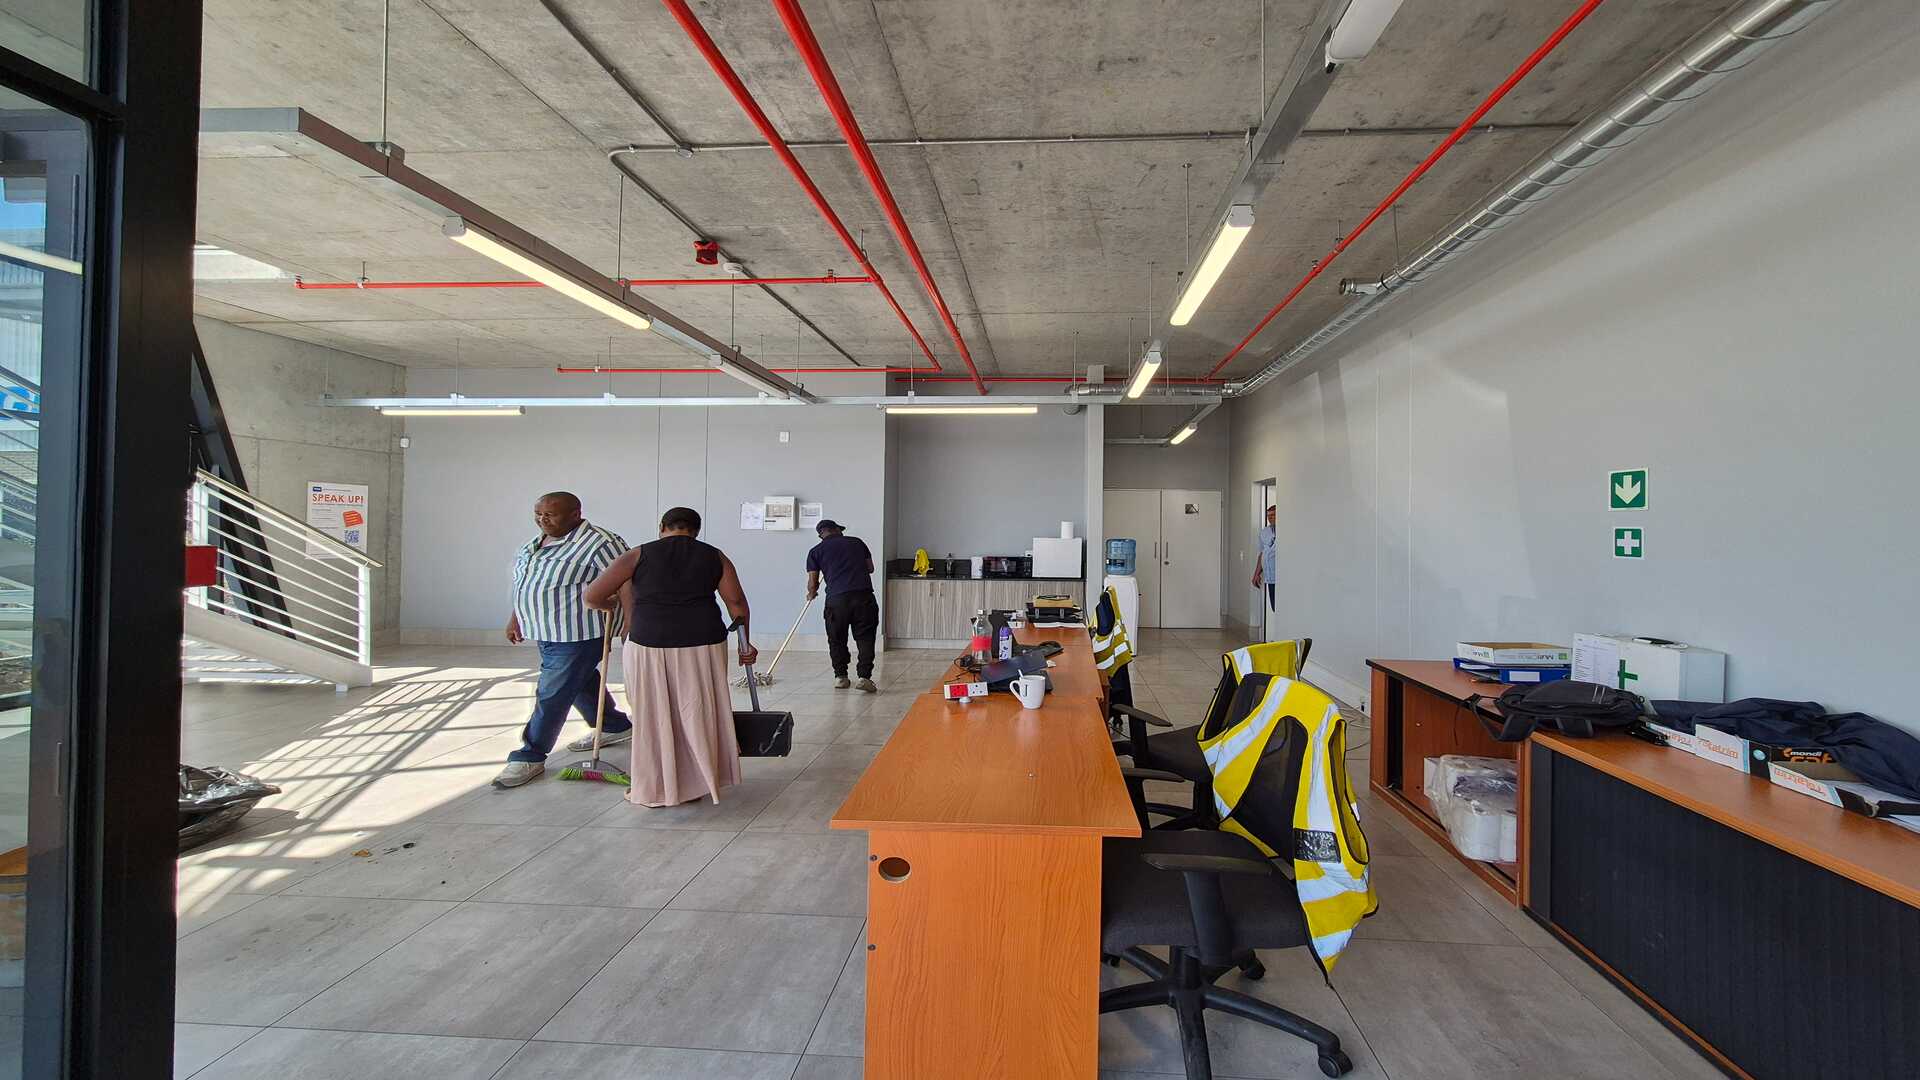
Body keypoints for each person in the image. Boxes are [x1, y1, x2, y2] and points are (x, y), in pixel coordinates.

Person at [584, 507, 756, 807]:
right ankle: (699, 780)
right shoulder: (714, 556)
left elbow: (591, 596)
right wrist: (745, 644)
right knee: (698, 709)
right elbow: (736, 603)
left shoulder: (636, 555)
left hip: (649, 642)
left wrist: (607, 604)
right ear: (696, 530)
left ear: (662, 526)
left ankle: (659, 785)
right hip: (703, 642)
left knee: (654, 712)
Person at [495, 492, 632, 789]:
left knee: (552, 692)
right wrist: (517, 617)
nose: (542, 520)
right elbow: (527, 582)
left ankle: (530, 754)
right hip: (545, 629)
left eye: (550, 514)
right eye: (538, 514)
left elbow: (627, 582)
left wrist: (631, 622)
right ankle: (614, 725)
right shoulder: (536, 542)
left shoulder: (601, 543)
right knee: (578, 680)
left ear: (575, 514)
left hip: (579, 632)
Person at [805, 519, 878, 692]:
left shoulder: (815, 551)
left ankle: (841, 677)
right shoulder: (857, 542)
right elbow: (870, 568)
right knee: (865, 637)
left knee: (836, 638)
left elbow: (813, 583)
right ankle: (864, 677)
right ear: (837, 529)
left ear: (821, 535)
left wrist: (811, 593)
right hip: (863, 597)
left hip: (836, 601)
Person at [1252, 505, 1278, 615]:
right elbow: (1262, 554)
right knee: (1275, 607)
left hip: (1283, 577)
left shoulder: (1288, 530)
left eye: (1273, 515)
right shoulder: (1264, 532)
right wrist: (1256, 574)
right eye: (1268, 516)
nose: (1270, 518)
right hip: (1270, 577)